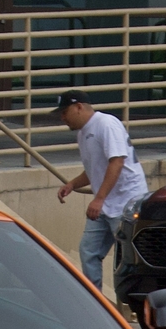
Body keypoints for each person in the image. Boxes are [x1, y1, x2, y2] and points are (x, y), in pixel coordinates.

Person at [51, 91, 147, 305]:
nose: (62, 118)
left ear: (79, 107)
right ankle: (95, 303)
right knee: (88, 251)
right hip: (105, 205)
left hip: (125, 202)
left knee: (127, 257)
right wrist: (72, 185)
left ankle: (134, 303)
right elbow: (94, 169)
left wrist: (99, 198)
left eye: (65, 112)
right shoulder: (82, 133)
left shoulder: (106, 124)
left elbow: (117, 162)